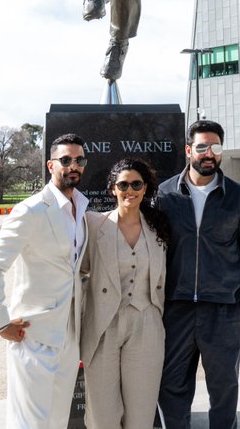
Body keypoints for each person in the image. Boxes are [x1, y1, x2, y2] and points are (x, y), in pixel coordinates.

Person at [157, 120, 240, 429]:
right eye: (203, 147)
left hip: (224, 310)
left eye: (215, 147)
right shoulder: (165, 195)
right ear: (189, 150)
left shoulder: (238, 196)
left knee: (223, 389)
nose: (209, 154)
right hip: (176, 308)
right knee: (173, 387)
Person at [0, 133, 91, 429]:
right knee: (28, 424)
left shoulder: (82, 208)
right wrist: (1, 321)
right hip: (33, 335)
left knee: (57, 422)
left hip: (69, 336)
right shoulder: (29, 211)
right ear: (50, 165)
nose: (73, 166)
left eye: (78, 160)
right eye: (65, 160)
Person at [80, 158, 170, 429]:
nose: (129, 190)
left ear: (145, 188)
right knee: (102, 414)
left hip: (147, 323)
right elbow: (76, 270)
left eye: (136, 184)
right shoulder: (94, 225)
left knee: (141, 412)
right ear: (113, 189)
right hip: (103, 325)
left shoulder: (159, 228)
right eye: (123, 184)